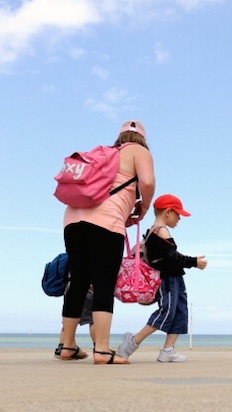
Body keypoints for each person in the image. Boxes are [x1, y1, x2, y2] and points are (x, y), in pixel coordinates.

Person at [59, 120, 155, 365]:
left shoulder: (105, 153)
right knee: (103, 281)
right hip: (105, 222)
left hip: (72, 219)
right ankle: (101, 350)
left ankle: (67, 345)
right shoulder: (138, 151)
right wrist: (142, 209)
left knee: (79, 280)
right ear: (141, 138)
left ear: (120, 136)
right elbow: (147, 182)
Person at [117, 194, 208, 362]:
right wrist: (193, 262)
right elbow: (172, 257)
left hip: (175, 278)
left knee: (180, 312)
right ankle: (133, 341)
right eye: (178, 214)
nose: (179, 218)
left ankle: (168, 350)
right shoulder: (160, 231)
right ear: (168, 212)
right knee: (166, 311)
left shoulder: (154, 231)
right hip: (167, 279)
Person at [55, 288, 95, 359]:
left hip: (69, 289)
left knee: (68, 320)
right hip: (89, 290)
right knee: (94, 320)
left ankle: (62, 347)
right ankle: (99, 348)